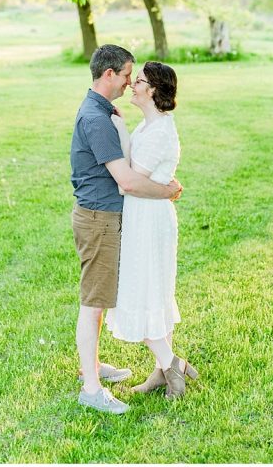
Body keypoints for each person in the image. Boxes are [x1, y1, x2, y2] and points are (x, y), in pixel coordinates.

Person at [71, 44, 182, 414]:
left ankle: (96, 365)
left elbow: (141, 167)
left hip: (117, 218)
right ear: (108, 75)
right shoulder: (98, 118)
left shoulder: (107, 113)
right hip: (100, 218)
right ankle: (91, 385)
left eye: (136, 78)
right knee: (94, 303)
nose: (128, 83)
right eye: (125, 75)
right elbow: (128, 182)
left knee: (101, 300)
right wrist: (167, 190)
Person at [105, 61, 198, 399]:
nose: (133, 84)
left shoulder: (160, 132)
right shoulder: (149, 127)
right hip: (143, 216)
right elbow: (134, 172)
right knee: (151, 292)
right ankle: (164, 371)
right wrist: (122, 129)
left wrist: (118, 132)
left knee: (144, 293)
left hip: (149, 220)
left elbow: (130, 181)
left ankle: (175, 368)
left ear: (154, 90)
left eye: (140, 80)